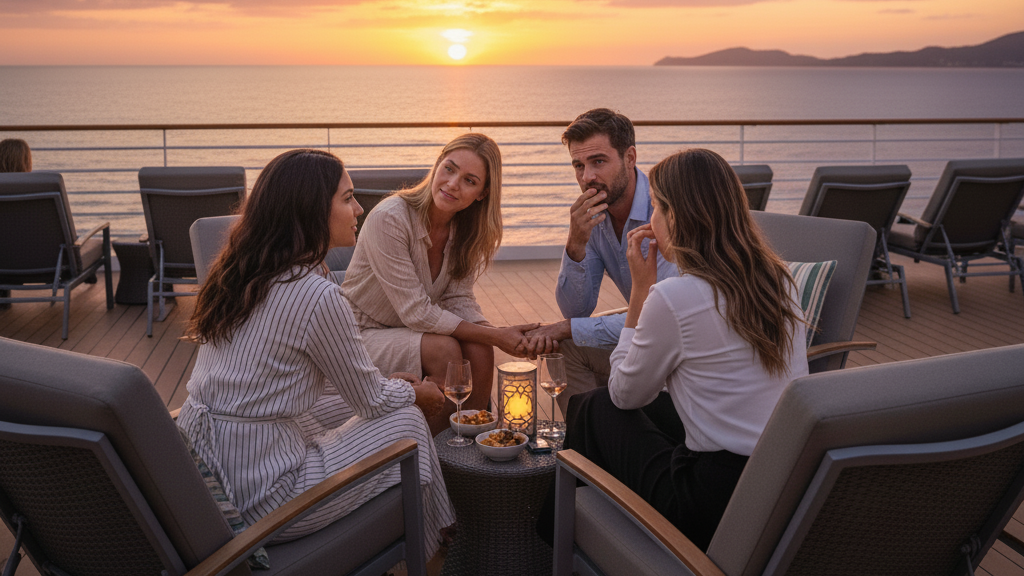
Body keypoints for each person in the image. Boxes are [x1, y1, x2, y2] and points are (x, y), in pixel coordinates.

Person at [176, 149, 454, 553]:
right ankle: (434, 549)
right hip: (263, 498)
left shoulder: (242, 272)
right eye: (347, 198)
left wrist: (386, 386)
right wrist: (416, 393)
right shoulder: (316, 295)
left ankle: (441, 528)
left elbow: (308, 388)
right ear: (311, 212)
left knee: (362, 405)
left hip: (214, 471)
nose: (359, 208)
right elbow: (374, 402)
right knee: (407, 420)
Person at [538, 148, 809, 551]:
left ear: (678, 216)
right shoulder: (778, 277)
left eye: (658, 208)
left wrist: (640, 292)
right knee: (614, 408)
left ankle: (552, 539)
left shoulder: (675, 296)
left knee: (596, 408)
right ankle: (562, 525)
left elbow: (624, 393)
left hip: (706, 504)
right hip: (777, 480)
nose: (651, 220)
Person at [342, 133, 536, 435]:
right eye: (449, 168)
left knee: (480, 351)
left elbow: (459, 298)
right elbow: (416, 312)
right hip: (360, 334)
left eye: (470, 180)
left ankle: (469, 451)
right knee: (444, 349)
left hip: (409, 330)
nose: (452, 183)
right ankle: (434, 458)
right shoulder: (390, 218)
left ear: (482, 193)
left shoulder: (464, 230)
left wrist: (494, 337)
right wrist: (499, 336)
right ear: (437, 164)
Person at [524, 109, 677, 415]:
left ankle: (611, 438)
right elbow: (576, 310)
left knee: (569, 334)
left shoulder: (666, 211)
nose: (586, 177)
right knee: (565, 347)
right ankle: (590, 444)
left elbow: (665, 317)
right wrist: (576, 242)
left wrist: (566, 328)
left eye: (598, 162)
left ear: (630, 158)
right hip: (646, 334)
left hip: (680, 346)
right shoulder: (595, 216)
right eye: (578, 166)